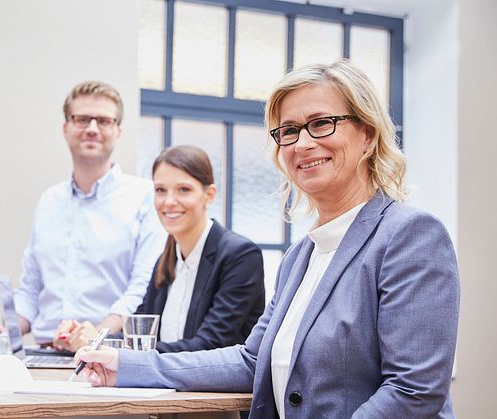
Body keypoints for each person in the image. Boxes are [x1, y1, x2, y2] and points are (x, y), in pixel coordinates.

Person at [76, 60, 460, 418]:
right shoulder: (300, 256)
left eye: (321, 123)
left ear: (367, 135)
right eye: (289, 130)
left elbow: (414, 390)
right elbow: (252, 360)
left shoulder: (410, 236)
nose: (302, 143)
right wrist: (127, 365)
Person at [57, 145, 265, 353]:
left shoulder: (241, 256)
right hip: (169, 384)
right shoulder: (166, 261)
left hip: (216, 386)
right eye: (160, 190)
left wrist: (102, 345)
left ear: (209, 195)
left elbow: (208, 346)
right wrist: (90, 338)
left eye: (183, 189)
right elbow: (138, 335)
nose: (169, 202)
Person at [13, 81, 165, 346]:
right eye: (82, 119)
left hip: (107, 354)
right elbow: (30, 289)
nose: (92, 129)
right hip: (43, 353)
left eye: (104, 121)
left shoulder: (145, 197)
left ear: (118, 131)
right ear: (66, 128)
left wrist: (94, 337)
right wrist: (7, 329)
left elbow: (141, 287)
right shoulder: (49, 201)